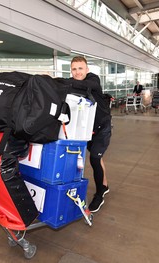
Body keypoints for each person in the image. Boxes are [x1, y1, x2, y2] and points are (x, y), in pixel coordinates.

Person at [69, 56, 112, 213]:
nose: (77, 72)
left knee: (94, 158)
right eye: (74, 69)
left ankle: (100, 193)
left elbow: (86, 84)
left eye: (80, 68)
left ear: (87, 69)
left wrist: (61, 82)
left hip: (102, 126)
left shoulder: (93, 80)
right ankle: (105, 185)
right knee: (97, 157)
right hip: (86, 129)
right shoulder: (72, 82)